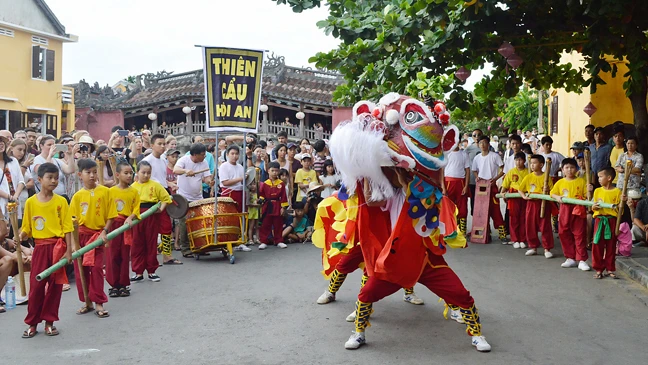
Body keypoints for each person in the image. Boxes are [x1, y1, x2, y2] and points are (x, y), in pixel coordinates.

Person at [19, 163, 73, 337]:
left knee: (55, 287)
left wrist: (69, 250)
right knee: (36, 287)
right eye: (49, 178)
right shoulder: (30, 202)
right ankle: (32, 323)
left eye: (56, 178)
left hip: (57, 247)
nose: (53, 181)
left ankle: (50, 322)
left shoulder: (61, 201)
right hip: (40, 248)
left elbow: (67, 228)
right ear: (39, 179)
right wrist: (21, 236)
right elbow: (27, 228)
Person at [70, 158, 117, 318]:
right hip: (81, 236)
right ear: (79, 175)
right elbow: (71, 222)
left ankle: (99, 302)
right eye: (88, 172)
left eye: (94, 172)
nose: (92, 175)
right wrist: (72, 245)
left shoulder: (105, 191)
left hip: (97, 236)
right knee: (80, 270)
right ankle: (87, 301)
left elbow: (111, 215)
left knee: (96, 269)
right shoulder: (77, 196)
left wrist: (104, 231)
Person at [131, 161, 173, 280]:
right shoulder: (132, 188)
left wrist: (161, 209)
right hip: (137, 217)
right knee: (137, 244)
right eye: (143, 172)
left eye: (148, 173)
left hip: (151, 216)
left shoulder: (155, 185)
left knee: (151, 242)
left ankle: (151, 271)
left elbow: (166, 198)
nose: (145, 175)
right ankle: (138, 272)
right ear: (137, 172)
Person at [174, 143, 218, 257]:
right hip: (184, 197)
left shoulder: (203, 162)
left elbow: (205, 177)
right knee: (184, 222)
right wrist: (185, 171)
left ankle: (200, 246)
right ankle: (186, 248)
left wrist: (209, 182)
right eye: (202, 154)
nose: (204, 156)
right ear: (195, 154)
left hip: (198, 197)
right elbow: (176, 170)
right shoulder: (184, 160)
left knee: (199, 222)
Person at [142, 133, 178, 264]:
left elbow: (162, 180)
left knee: (166, 227)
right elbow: (140, 180)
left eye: (164, 144)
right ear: (152, 145)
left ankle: (167, 255)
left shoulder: (164, 160)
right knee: (150, 230)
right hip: (150, 198)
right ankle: (149, 259)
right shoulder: (146, 161)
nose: (162, 146)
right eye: (159, 144)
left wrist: (170, 185)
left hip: (163, 195)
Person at [550, 158, 590, 270]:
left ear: (576, 169)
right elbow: (552, 193)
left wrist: (589, 190)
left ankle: (581, 259)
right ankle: (570, 258)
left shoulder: (582, 181)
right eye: (566, 168)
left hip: (578, 210)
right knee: (564, 232)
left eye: (572, 167)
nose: (569, 170)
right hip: (564, 210)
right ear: (562, 169)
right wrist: (558, 197)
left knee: (579, 234)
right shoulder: (560, 182)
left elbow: (587, 196)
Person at [106, 161, 139, 298]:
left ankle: (124, 284)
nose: (129, 176)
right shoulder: (110, 191)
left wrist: (130, 217)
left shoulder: (134, 192)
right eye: (126, 173)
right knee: (112, 255)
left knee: (125, 255)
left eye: (131, 173)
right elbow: (106, 209)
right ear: (118, 175)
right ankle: (114, 285)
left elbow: (136, 209)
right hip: (113, 225)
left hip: (125, 226)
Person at [589, 167, 624, 279]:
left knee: (611, 245)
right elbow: (593, 206)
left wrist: (622, 203)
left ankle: (610, 268)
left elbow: (620, 211)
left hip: (611, 220)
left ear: (609, 178)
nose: (598, 179)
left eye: (601, 176)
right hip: (599, 220)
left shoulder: (618, 192)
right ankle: (598, 269)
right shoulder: (597, 191)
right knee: (597, 245)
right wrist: (593, 207)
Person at [518, 155, 555, 258]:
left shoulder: (547, 177)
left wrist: (547, 190)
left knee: (545, 226)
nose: (532, 165)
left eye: (534, 163)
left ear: (542, 165)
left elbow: (552, 191)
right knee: (530, 225)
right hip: (531, 204)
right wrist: (524, 197)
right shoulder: (529, 177)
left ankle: (547, 248)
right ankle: (533, 247)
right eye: (531, 163)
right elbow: (521, 189)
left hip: (543, 203)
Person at [471, 136, 506, 241]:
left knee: (495, 210)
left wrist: (495, 179)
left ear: (488, 144)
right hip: (481, 187)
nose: (482, 145)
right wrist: (477, 177)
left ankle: (502, 234)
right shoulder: (477, 158)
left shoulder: (494, 156)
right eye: (480, 143)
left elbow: (502, 168)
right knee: (482, 211)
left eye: (484, 143)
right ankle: (487, 233)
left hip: (492, 185)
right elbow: (474, 170)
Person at [33, 135, 76, 200]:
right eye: (49, 145)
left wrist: (70, 155)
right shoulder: (36, 160)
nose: (52, 147)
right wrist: (50, 156)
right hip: (45, 197)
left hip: (61, 196)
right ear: (41, 146)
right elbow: (46, 172)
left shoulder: (57, 161)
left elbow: (70, 170)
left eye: (53, 145)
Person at [500, 152, 529, 248]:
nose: (518, 162)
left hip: (524, 196)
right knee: (514, 218)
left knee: (523, 218)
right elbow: (505, 186)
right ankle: (515, 239)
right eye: (516, 160)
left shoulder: (528, 172)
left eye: (520, 160)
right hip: (513, 197)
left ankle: (523, 239)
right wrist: (503, 193)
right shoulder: (511, 172)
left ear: (524, 161)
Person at [258, 161, 288, 250]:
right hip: (268, 205)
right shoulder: (265, 183)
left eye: (276, 171)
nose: (274, 173)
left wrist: (283, 207)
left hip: (277, 205)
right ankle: (264, 241)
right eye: (272, 170)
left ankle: (279, 240)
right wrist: (260, 200)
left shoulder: (281, 183)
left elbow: (283, 196)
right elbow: (262, 195)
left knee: (278, 223)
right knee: (265, 224)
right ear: (268, 171)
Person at [442, 144, 470, 233]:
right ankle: (450, 229)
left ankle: (462, 231)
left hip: (460, 182)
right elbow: (442, 171)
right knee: (449, 206)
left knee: (462, 207)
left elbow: (467, 171)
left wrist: (466, 186)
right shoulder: (446, 154)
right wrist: (443, 187)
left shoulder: (464, 154)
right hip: (448, 182)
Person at [0, 135, 25, 222]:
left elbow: (21, 181)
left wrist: (15, 196)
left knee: (14, 229)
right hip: (2, 202)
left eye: (2, 142)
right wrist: (9, 197)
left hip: (14, 203)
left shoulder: (13, 161)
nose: (1, 145)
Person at [218, 145, 245, 211]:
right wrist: (240, 178)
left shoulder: (240, 167)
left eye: (236, 154)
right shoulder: (224, 166)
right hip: (229, 193)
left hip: (240, 193)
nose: (234, 156)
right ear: (227, 154)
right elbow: (225, 182)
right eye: (232, 154)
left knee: (239, 214)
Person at [246, 179, 261, 246]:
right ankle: (250, 239)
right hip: (251, 210)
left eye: (254, 184)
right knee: (251, 226)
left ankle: (257, 238)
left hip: (257, 210)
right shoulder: (249, 194)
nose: (252, 186)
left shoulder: (258, 194)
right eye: (250, 184)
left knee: (257, 225)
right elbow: (248, 203)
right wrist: (255, 205)